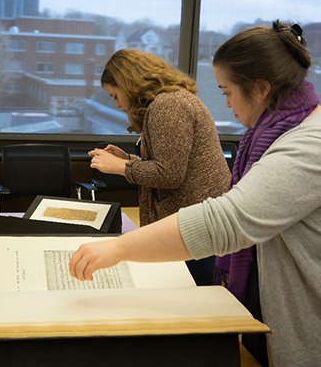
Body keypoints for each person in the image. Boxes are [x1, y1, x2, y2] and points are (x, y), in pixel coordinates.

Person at [70, 21, 321, 367]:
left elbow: (226, 218)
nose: (227, 105)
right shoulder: (279, 133)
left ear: (261, 88)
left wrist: (119, 247)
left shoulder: (307, 145)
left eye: (226, 91)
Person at [88, 48, 231, 285]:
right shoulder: (172, 100)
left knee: (197, 298)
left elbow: (170, 174)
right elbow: (171, 163)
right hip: (197, 220)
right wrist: (127, 159)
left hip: (196, 225)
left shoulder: (168, 106)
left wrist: (121, 168)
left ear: (129, 83)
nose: (116, 105)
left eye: (115, 95)